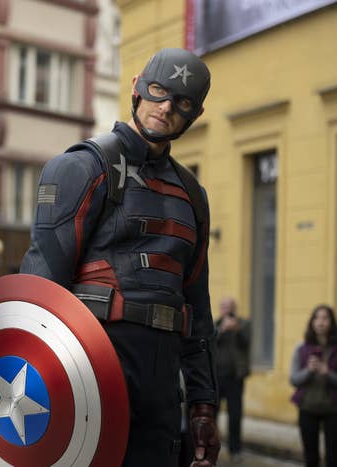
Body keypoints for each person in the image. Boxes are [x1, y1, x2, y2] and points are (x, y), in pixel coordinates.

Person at [20, 48, 219, 467]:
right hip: (97, 360)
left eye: (180, 102)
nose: (164, 108)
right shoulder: (82, 167)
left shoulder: (192, 196)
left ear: (194, 115)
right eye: (159, 91)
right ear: (136, 87)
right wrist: (32, 388)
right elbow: (41, 288)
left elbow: (196, 309)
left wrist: (203, 404)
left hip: (162, 375)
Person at [290, 304, 337, 467]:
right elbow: (294, 380)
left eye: (325, 318)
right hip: (307, 408)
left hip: (333, 410)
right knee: (311, 458)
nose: (320, 322)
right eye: (317, 318)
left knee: (333, 457)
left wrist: (327, 372)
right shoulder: (301, 348)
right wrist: (308, 371)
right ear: (312, 322)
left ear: (331, 322)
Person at [215, 296, 251, 462]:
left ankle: (235, 450)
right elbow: (209, 344)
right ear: (220, 309)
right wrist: (222, 330)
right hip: (215, 377)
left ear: (235, 308)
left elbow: (247, 343)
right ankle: (210, 448)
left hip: (235, 378)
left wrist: (236, 330)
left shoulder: (244, 324)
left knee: (235, 415)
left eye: (230, 306)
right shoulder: (214, 325)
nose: (227, 310)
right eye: (224, 306)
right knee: (211, 414)